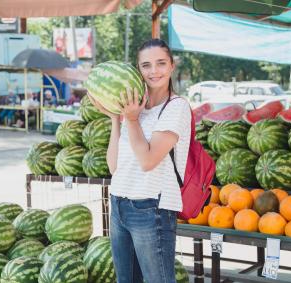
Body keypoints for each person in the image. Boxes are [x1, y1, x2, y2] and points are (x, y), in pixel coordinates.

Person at [89, 39, 191, 283]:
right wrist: (117, 118)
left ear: (172, 66)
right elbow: (115, 167)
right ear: (138, 69)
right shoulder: (135, 108)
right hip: (120, 202)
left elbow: (147, 161)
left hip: (151, 208)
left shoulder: (176, 108)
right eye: (146, 65)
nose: (153, 71)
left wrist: (132, 120)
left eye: (160, 63)